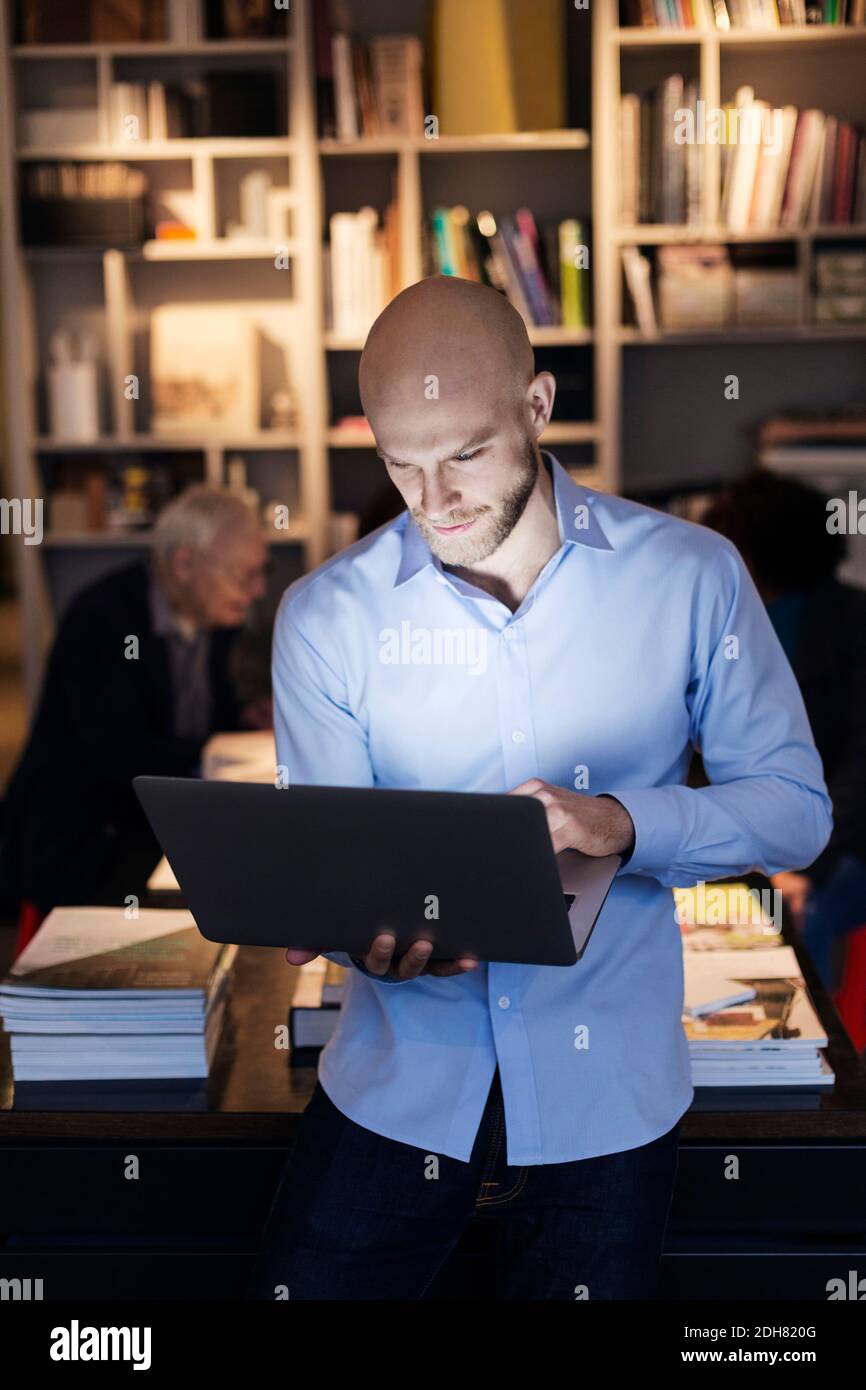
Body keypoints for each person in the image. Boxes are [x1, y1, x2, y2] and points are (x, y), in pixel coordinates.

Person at [248, 276, 832, 1302]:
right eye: (400, 462)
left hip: (606, 1105)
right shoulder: (324, 616)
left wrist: (618, 823)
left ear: (536, 405)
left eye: (465, 453)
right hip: (394, 1095)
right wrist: (352, 928)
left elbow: (793, 803)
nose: (433, 501)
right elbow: (328, 859)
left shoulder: (691, 576)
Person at [0, 485, 268, 916]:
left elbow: (196, 715)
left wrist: (241, 721)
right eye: (244, 575)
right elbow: (118, 751)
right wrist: (219, 748)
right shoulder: (103, 618)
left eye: (261, 573)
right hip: (84, 842)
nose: (257, 591)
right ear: (184, 563)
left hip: (150, 825)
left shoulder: (214, 615)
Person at [703, 470, 866, 989]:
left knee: (800, 908)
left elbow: (861, 769)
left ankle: (809, 1055)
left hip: (841, 841)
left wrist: (806, 863)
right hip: (753, 832)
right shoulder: (723, 620)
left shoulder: (852, 623)